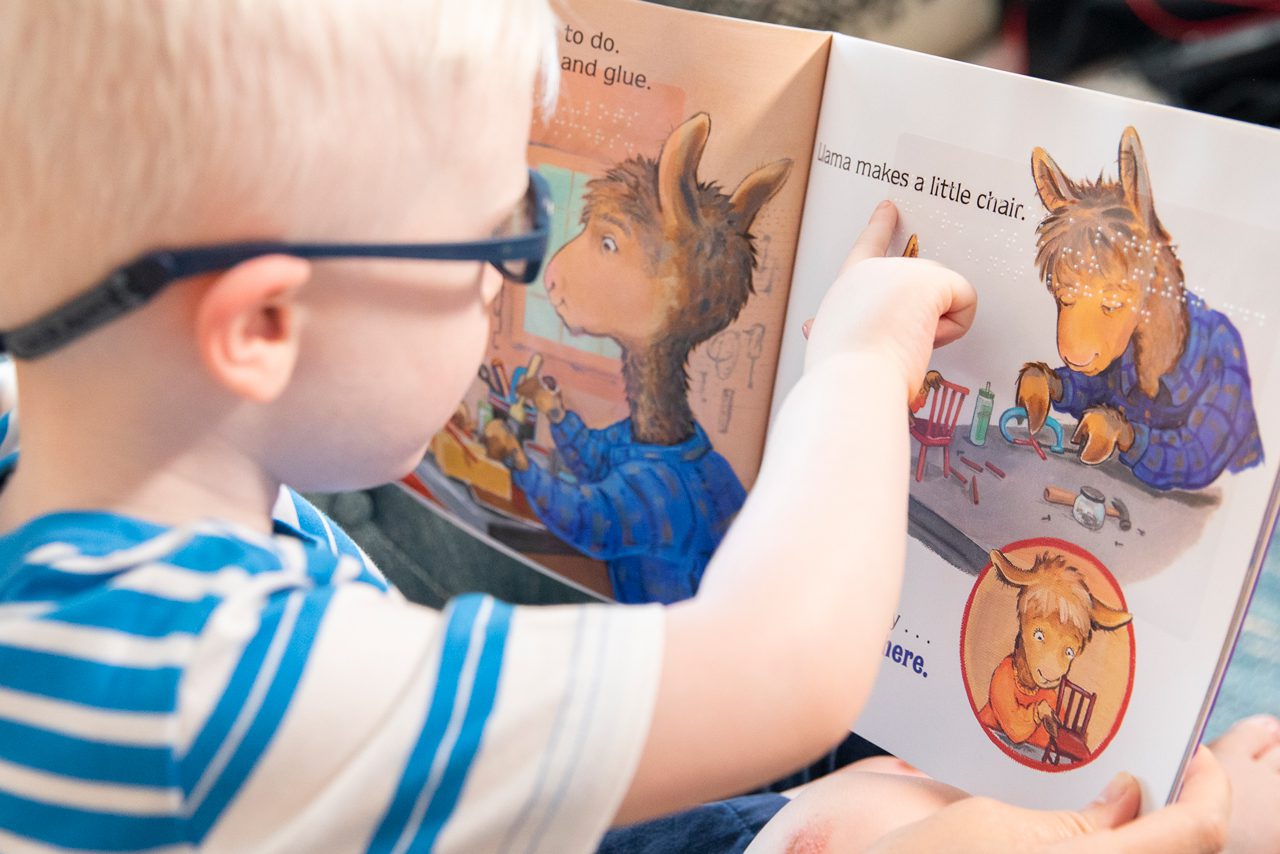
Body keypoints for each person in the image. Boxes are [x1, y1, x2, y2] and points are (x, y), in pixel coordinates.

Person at [0, 2, 1275, 852]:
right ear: (261, 325)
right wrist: (855, 361)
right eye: (498, 240)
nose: (514, 283)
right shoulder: (214, 694)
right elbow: (779, 669)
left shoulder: (55, 451)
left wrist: (777, 828)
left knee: (868, 807)